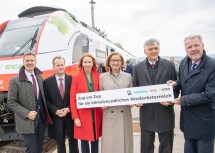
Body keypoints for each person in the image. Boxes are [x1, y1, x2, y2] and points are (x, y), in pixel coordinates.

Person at [167, 34, 215, 153]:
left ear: (203, 46)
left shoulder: (212, 66)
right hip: (188, 121)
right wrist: (176, 83)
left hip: (204, 121)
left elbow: (209, 94)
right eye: (189, 47)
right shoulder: (184, 62)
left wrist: (183, 100)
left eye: (196, 45)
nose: (193, 49)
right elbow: (185, 81)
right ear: (185, 49)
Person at [133, 38, 179, 153]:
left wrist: (169, 101)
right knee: (146, 146)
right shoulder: (137, 68)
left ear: (159, 49)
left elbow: (176, 87)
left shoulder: (169, 65)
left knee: (166, 147)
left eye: (156, 48)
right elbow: (135, 88)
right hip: (146, 112)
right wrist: (137, 101)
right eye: (150, 49)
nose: (153, 51)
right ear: (145, 52)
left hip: (165, 112)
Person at [7, 51, 53, 153]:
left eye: (32, 60)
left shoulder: (39, 78)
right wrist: (27, 113)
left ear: (35, 62)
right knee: (32, 149)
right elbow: (11, 102)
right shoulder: (15, 80)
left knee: (39, 148)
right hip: (26, 121)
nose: (29, 62)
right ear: (23, 62)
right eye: (27, 60)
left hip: (40, 119)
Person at [100, 52, 133, 153]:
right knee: (110, 142)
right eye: (113, 60)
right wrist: (102, 104)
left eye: (118, 60)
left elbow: (131, 94)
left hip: (124, 114)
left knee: (125, 141)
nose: (115, 62)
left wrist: (132, 102)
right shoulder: (102, 77)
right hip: (109, 114)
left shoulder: (128, 76)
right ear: (109, 62)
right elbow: (100, 95)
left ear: (122, 62)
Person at [44, 56, 79, 153]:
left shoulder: (72, 79)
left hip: (70, 116)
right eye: (57, 65)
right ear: (53, 67)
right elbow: (46, 100)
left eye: (62, 65)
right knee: (60, 143)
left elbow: (76, 97)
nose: (60, 67)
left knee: (73, 141)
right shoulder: (47, 82)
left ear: (65, 66)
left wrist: (68, 109)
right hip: (56, 118)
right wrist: (55, 110)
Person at [70, 53, 102, 153]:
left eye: (89, 62)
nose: (87, 64)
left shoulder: (99, 76)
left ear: (93, 63)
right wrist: (75, 117)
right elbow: (72, 98)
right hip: (83, 115)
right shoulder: (76, 78)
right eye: (85, 62)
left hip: (96, 114)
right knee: (84, 141)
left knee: (95, 139)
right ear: (82, 64)